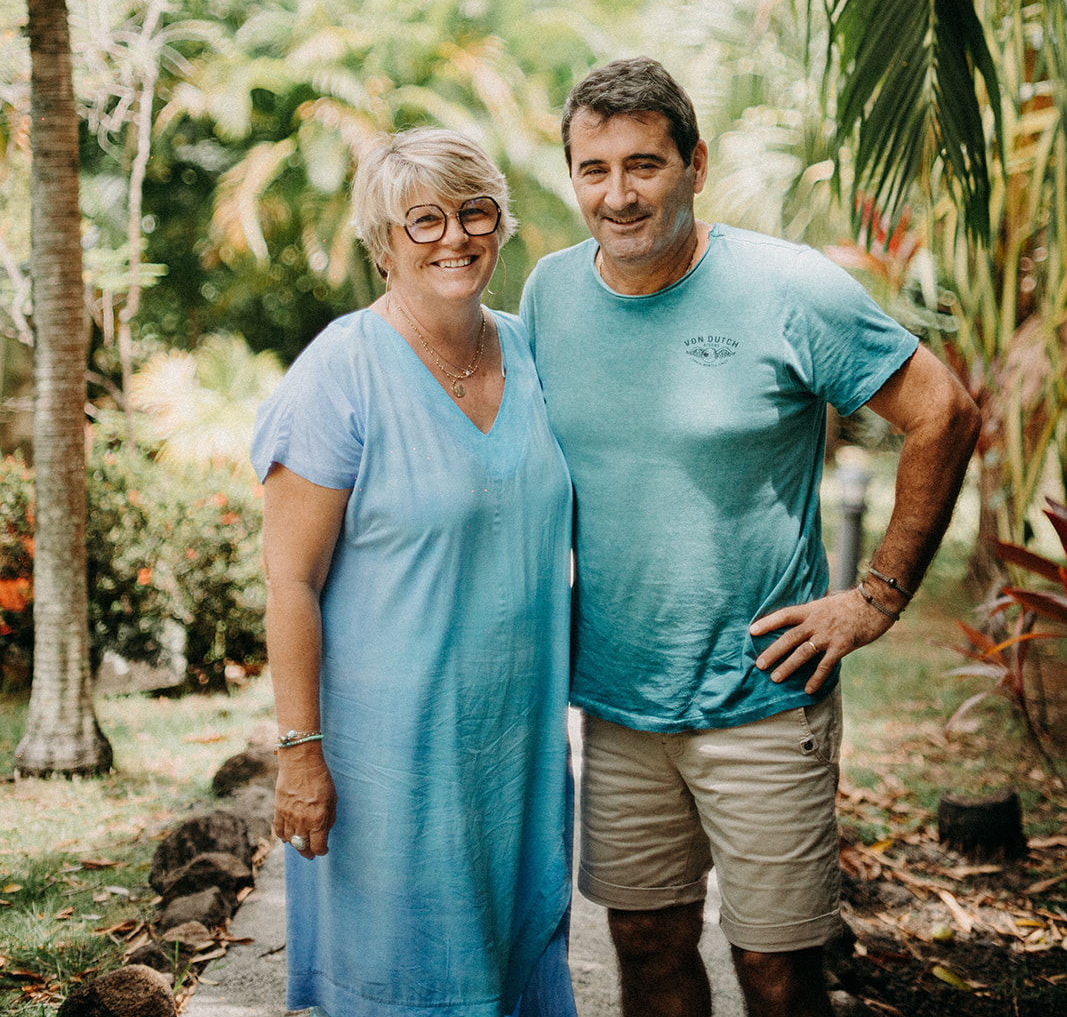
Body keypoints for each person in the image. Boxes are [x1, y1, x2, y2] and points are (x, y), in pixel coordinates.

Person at [520, 58, 981, 1017]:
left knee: (776, 970)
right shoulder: (549, 295)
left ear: (695, 164)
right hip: (617, 702)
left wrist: (876, 597)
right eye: (593, 169)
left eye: (643, 165)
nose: (617, 194)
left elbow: (942, 412)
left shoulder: (784, 287)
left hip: (765, 696)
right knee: (644, 946)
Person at [251, 128, 577, 1017]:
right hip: (391, 765)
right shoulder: (341, 372)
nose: (452, 237)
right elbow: (289, 583)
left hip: (516, 753)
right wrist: (299, 757)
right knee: (408, 985)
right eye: (421, 219)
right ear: (382, 245)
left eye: (473, 212)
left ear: (499, 226)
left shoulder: (529, 352)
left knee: (514, 961)